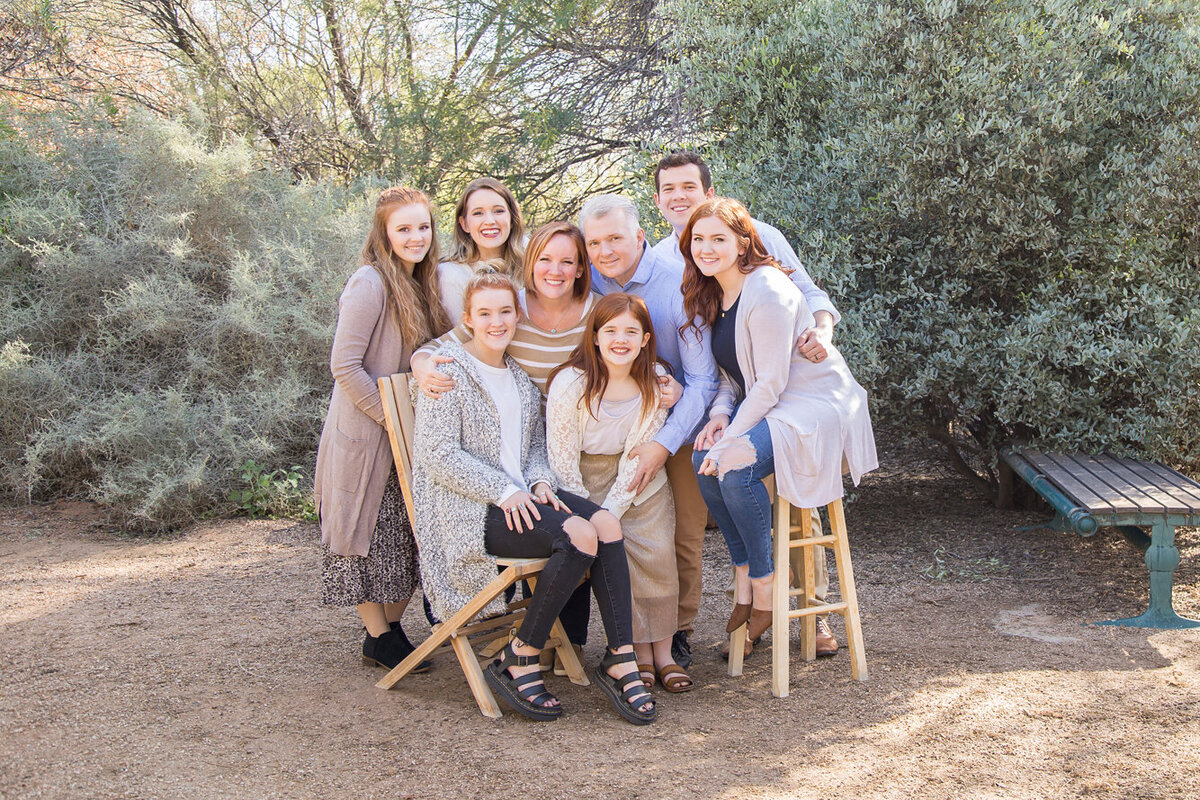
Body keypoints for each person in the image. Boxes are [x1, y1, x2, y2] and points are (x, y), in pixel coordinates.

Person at [410, 271, 656, 724]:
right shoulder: (447, 371)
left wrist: (541, 481)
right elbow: (437, 455)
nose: (496, 321)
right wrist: (504, 490)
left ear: (517, 315)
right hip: (471, 509)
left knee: (606, 524)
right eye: (484, 313)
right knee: (579, 536)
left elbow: (536, 448)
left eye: (505, 311)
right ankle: (520, 655)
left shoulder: (519, 379)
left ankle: (620, 657)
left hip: (523, 497)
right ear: (468, 319)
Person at [652, 150, 844, 656]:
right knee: (709, 463)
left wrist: (818, 332)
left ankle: (809, 611)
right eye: (668, 190)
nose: (679, 197)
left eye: (688, 188)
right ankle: (751, 591)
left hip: (795, 396)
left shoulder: (756, 243)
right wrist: (717, 416)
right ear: (657, 201)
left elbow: (808, 296)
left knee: (787, 493)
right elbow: (725, 365)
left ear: (708, 193)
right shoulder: (665, 260)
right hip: (735, 395)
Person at [682, 197, 877, 645]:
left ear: (743, 242)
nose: (706, 248)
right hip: (774, 403)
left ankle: (766, 592)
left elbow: (768, 383)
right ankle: (747, 573)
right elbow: (735, 375)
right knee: (702, 461)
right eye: (698, 239)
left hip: (812, 404)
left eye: (718, 239)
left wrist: (729, 439)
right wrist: (717, 418)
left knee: (735, 467)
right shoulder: (715, 292)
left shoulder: (765, 287)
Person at [313, 186, 453, 673]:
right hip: (368, 432)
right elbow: (345, 365)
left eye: (423, 226)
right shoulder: (369, 282)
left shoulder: (425, 282)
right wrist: (390, 417)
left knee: (407, 537)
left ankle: (388, 631)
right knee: (365, 535)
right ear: (384, 234)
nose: (416, 237)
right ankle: (379, 635)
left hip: (408, 432)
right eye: (404, 229)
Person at [580, 194, 720, 669]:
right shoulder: (590, 281)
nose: (605, 250)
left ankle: (676, 633)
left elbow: (703, 380)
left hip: (677, 429)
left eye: (615, 238)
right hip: (608, 429)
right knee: (616, 530)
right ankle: (623, 637)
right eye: (595, 242)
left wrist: (663, 444)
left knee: (681, 533)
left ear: (640, 237)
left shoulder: (678, 285)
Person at [546, 294, 692, 693]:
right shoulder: (570, 384)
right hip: (580, 479)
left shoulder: (656, 381)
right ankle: (636, 656)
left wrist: (612, 509)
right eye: (610, 330)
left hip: (639, 478)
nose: (620, 340)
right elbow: (561, 460)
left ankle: (664, 654)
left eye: (631, 331)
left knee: (656, 556)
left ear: (646, 339)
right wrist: (594, 514)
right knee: (619, 563)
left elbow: (639, 457)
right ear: (594, 336)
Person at [438, 177, 528, 320]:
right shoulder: (450, 275)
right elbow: (459, 335)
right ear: (464, 223)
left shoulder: (531, 259)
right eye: (478, 213)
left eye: (498, 211)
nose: (490, 221)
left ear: (512, 218)